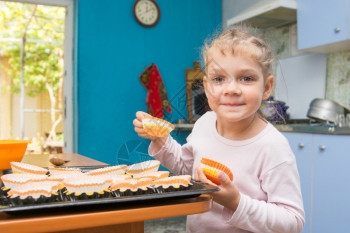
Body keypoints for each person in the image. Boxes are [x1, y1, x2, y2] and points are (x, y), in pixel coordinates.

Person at [133, 26, 305, 233]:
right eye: (219, 79)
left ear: (267, 87)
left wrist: (236, 202)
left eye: (246, 78)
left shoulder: (272, 147)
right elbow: (186, 169)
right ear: (206, 87)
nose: (231, 89)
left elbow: (292, 222)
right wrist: (161, 140)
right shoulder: (204, 123)